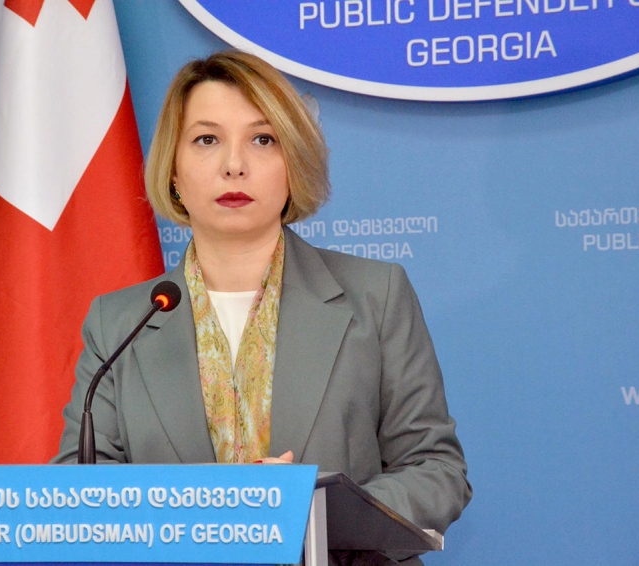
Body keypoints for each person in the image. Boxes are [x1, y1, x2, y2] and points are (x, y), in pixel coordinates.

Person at [54, 50, 471, 565]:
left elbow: (436, 472)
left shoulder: (375, 295)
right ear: (174, 171)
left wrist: (307, 510)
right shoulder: (119, 323)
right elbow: (81, 488)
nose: (234, 165)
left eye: (263, 139)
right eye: (207, 140)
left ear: (293, 164)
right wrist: (204, 509)